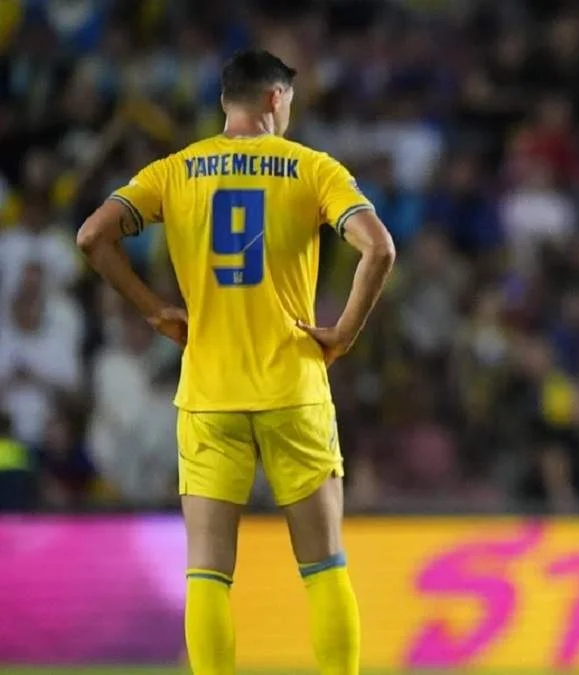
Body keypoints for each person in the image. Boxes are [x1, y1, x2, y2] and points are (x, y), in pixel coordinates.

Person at [76, 49, 395, 675]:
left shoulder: (174, 171)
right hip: (293, 387)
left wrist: (154, 310)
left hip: (208, 394)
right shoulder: (312, 169)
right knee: (324, 563)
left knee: (208, 570)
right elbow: (378, 249)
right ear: (276, 98)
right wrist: (343, 333)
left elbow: (92, 236)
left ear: (227, 100)